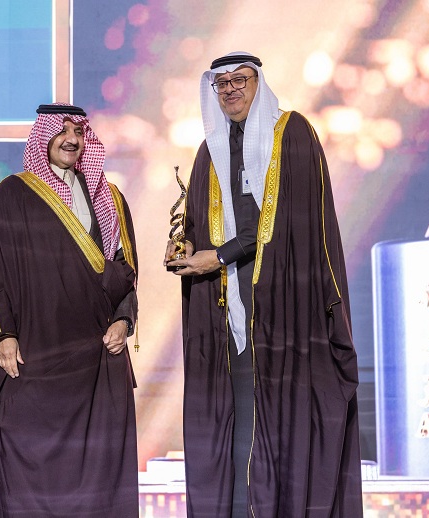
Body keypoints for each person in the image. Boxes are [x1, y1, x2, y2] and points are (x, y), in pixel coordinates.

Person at [164, 52, 362, 517]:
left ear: (259, 83)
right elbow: (197, 224)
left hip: (285, 309)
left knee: (280, 425)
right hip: (227, 311)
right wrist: (185, 246)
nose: (231, 89)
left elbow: (288, 221)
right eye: (222, 83)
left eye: (241, 80)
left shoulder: (291, 133)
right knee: (235, 430)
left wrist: (220, 255)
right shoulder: (210, 150)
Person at [0, 103, 140, 517]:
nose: (71, 139)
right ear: (43, 137)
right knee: (31, 468)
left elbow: (126, 269)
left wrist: (123, 319)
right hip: (36, 352)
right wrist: (3, 334)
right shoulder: (14, 192)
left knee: (98, 472)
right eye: (61, 131)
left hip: (95, 356)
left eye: (78, 131)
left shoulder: (110, 197)